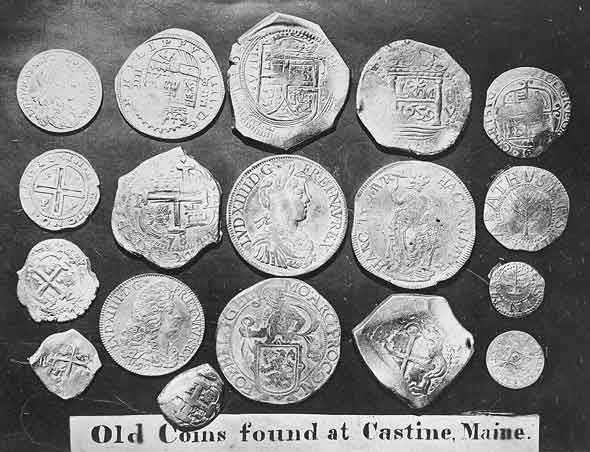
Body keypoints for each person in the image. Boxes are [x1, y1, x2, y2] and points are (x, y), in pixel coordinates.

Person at [251, 164, 314, 270]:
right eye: (300, 193)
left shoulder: (303, 241)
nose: (307, 199)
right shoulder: (267, 247)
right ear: (281, 200)